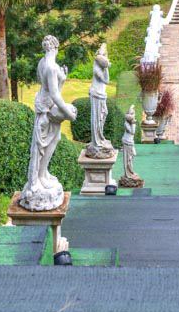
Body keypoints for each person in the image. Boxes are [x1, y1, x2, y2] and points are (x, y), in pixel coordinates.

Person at [19, 35, 78, 210]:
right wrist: (69, 113)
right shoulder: (51, 67)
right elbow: (55, 95)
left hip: (45, 104)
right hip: (47, 107)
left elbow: (54, 89)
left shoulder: (42, 62)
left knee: (53, 140)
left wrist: (63, 80)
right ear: (55, 48)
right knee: (44, 143)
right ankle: (39, 177)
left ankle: (43, 173)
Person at [87, 43, 113, 158]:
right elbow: (106, 80)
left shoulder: (101, 66)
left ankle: (100, 137)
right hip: (96, 94)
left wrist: (106, 67)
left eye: (104, 54)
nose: (103, 57)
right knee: (97, 117)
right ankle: (96, 142)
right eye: (101, 55)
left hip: (102, 95)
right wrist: (106, 67)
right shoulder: (96, 67)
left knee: (104, 114)